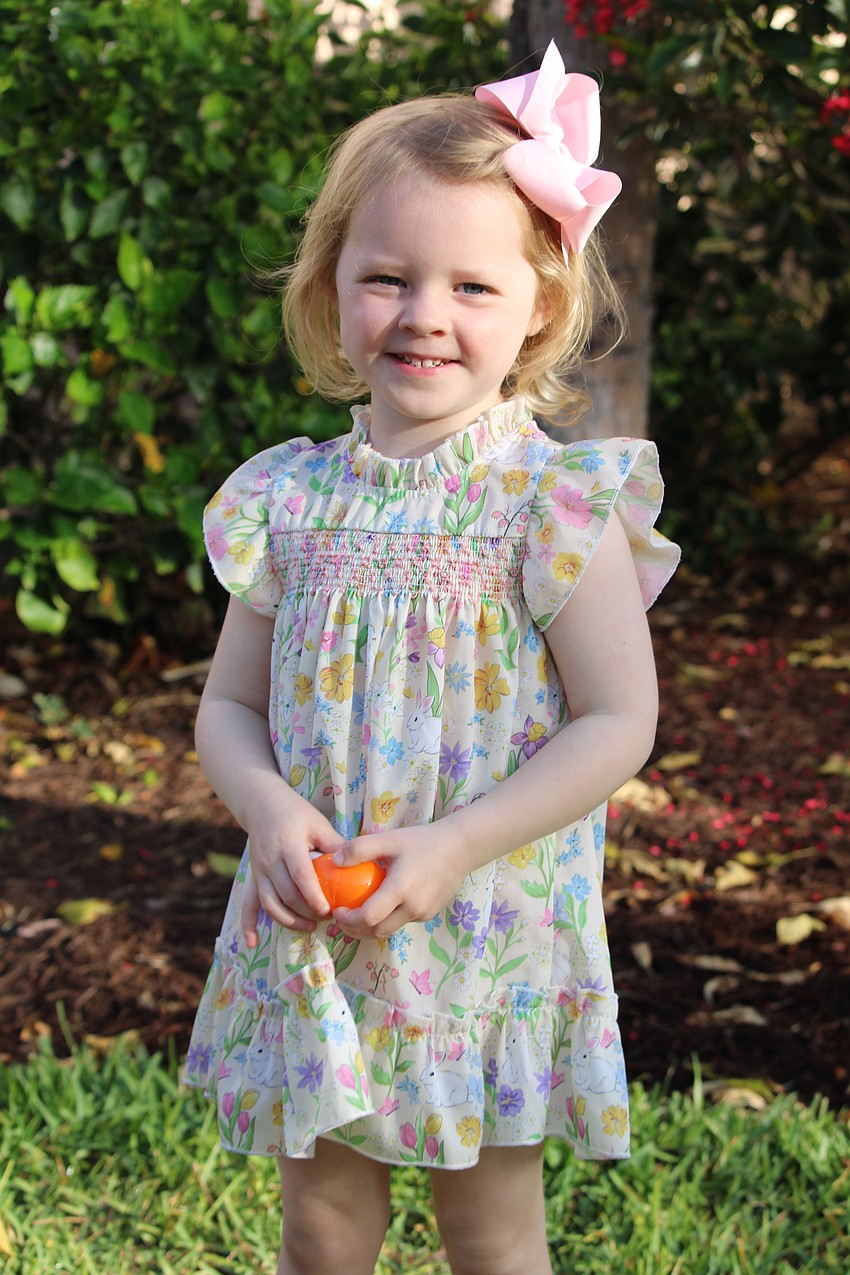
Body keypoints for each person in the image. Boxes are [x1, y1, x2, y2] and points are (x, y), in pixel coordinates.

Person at [184, 41, 680, 1275]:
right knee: (326, 1219)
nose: (423, 315)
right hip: (319, 914)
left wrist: (456, 845)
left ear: (541, 308)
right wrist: (271, 812)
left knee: (490, 1228)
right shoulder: (287, 499)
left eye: (472, 286)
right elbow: (227, 710)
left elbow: (617, 722)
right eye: (387, 277)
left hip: (486, 921)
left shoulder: (552, 505)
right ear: (330, 288)